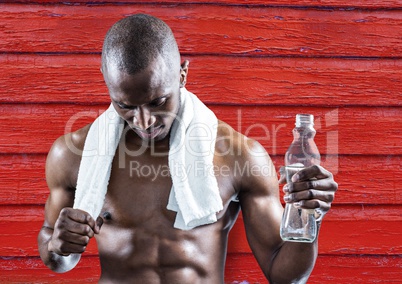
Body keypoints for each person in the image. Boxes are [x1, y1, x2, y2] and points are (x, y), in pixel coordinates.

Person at [37, 14, 338, 283]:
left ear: (182, 75)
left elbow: (284, 275)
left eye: (157, 102)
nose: (143, 121)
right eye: (126, 106)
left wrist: (309, 216)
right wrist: (57, 247)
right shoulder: (73, 154)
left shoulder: (238, 156)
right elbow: (58, 260)